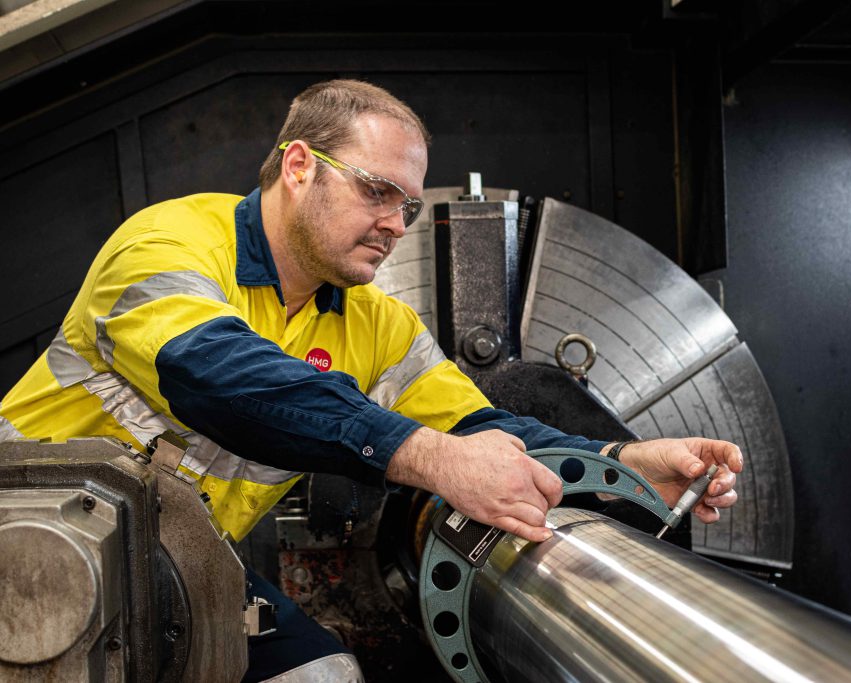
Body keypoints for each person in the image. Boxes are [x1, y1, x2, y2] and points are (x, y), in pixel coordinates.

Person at [0, 79, 742, 681]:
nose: (397, 222)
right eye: (377, 191)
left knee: (322, 675)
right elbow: (221, 376)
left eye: (410, 205)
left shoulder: (375, 324)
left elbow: (482, 430)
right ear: (298, 167)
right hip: (28, 537)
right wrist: (427, 457)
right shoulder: (170, 242)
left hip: (178, 562)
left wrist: (620, 465)